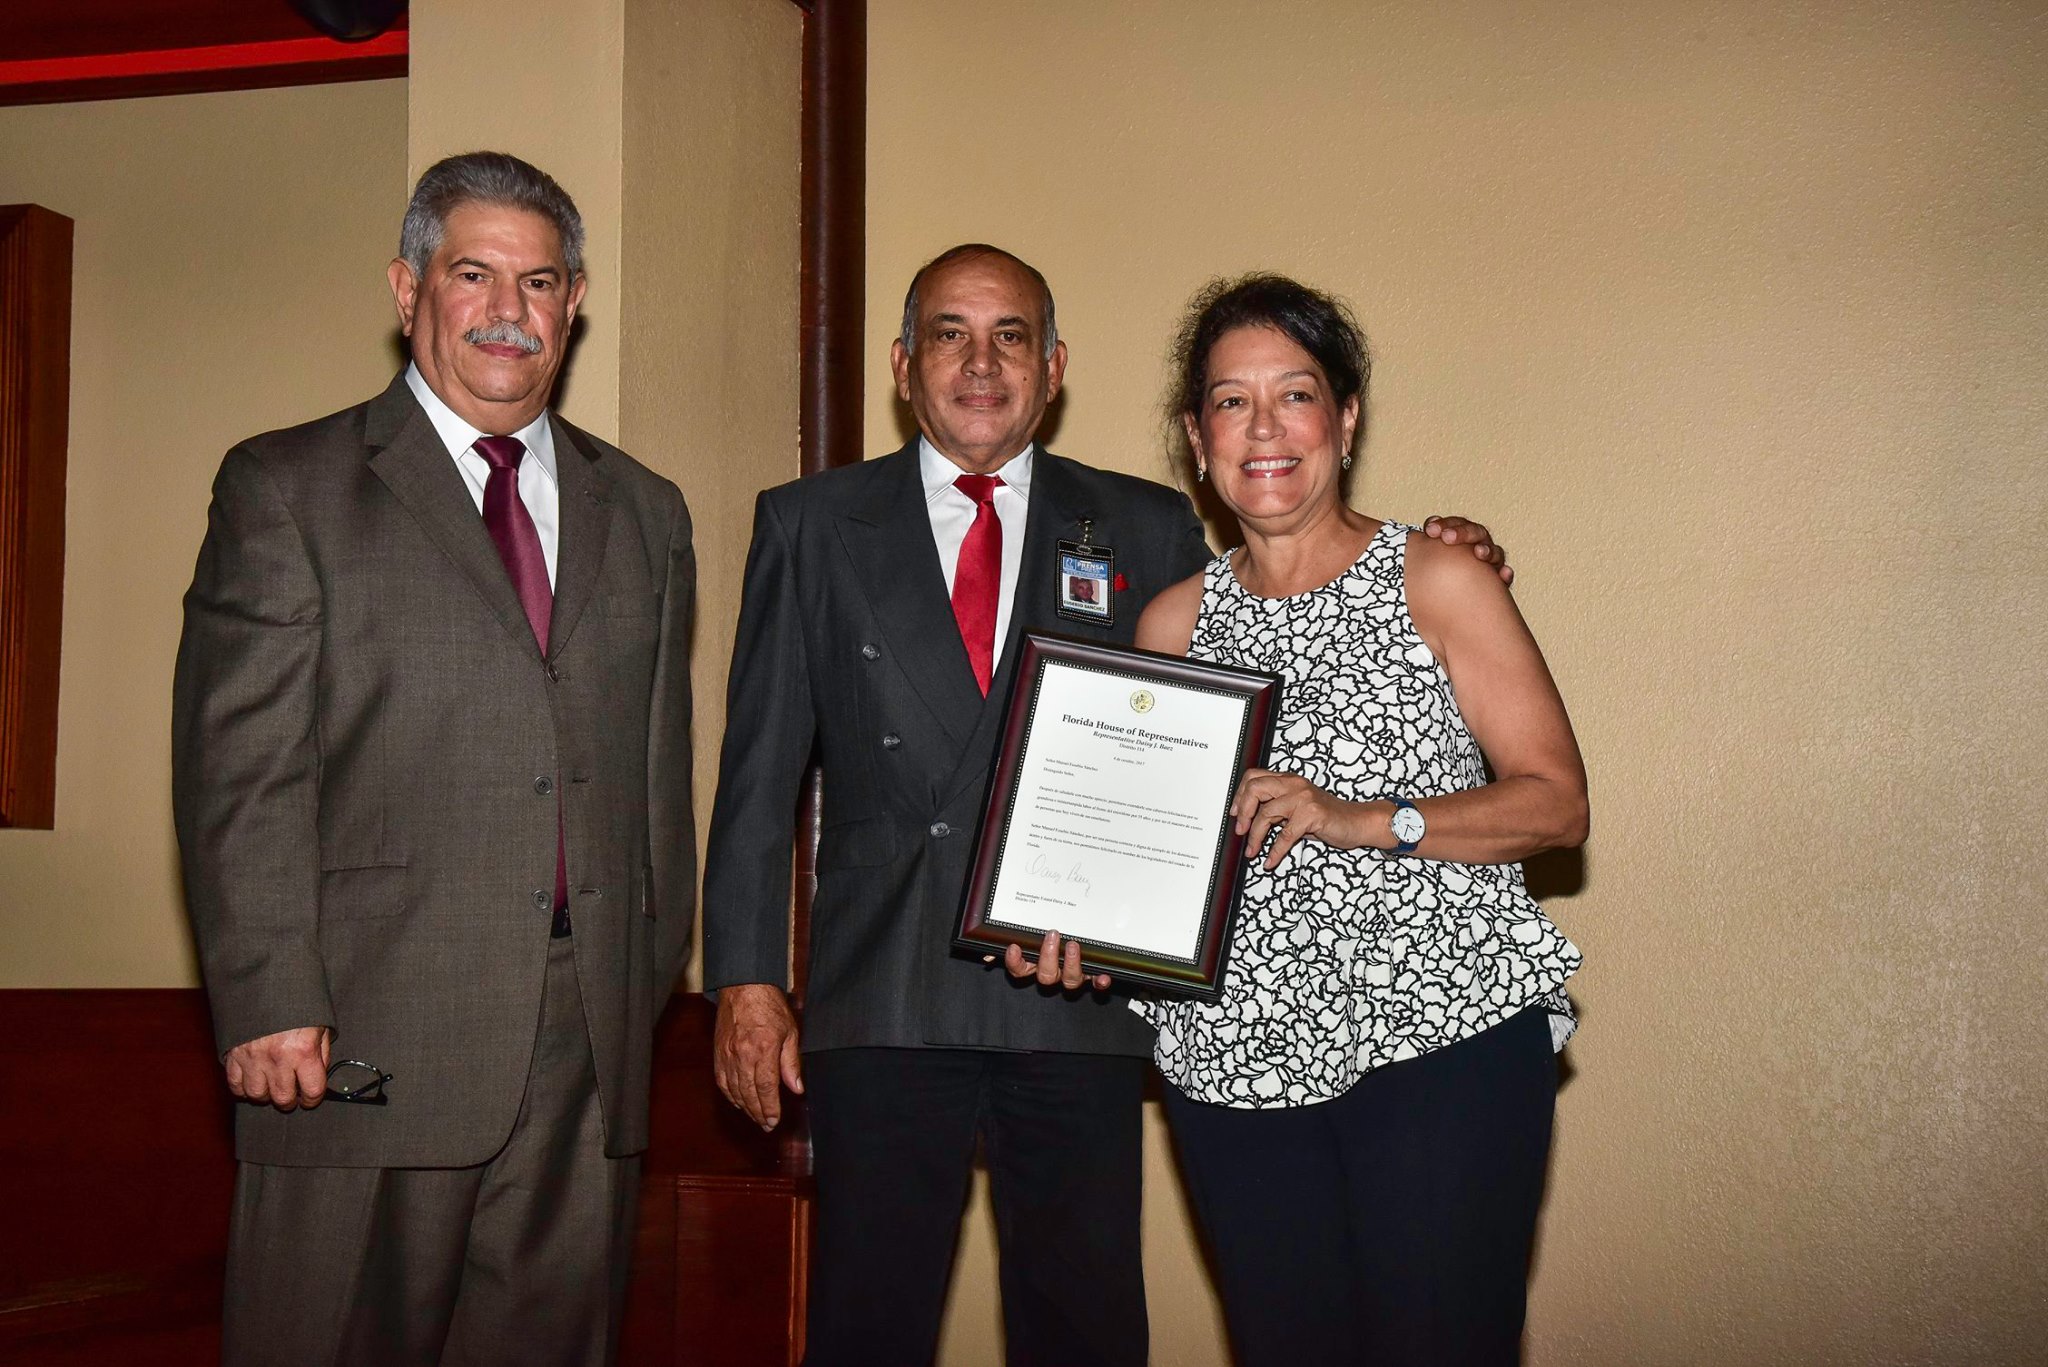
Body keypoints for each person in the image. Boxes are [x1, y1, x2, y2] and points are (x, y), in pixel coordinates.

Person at [701, 243, 1510, 1367]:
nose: (980, 363)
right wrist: (744, 979)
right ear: (901, 363)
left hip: (1084, 988)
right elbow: (759, 769)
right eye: (948, 333)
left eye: (1011, 337)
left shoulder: (1139, 524)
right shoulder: (806, 521)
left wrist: (1447, 548)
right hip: (881, 990)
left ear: (1053, 366)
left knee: (1082, 1323)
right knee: (865, 1323)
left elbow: (1277, 592)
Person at [172, 151, 696, 1367]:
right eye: (474, 274)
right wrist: (267, 994)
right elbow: (240, 770)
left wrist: (643, 980)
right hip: (357, 1034)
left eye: (541, 279)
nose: (509, 309)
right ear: (407, 288)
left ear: (574, 304)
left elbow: (658, 773)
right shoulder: (289, 487)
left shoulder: (646, 510)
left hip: (589, 1051)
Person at [1128, 274, 1588, 1366]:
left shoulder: (1436, 577)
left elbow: (1555, 800)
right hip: (1231, 1062)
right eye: (1231, 402)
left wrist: (1363, 817)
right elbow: (1153, 856)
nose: (1264, 427)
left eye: (1294, 394)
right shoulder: (1169, 621)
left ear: (1344, 417)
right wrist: (1081, 930)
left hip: (1439, 1045)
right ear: (1198, 439)